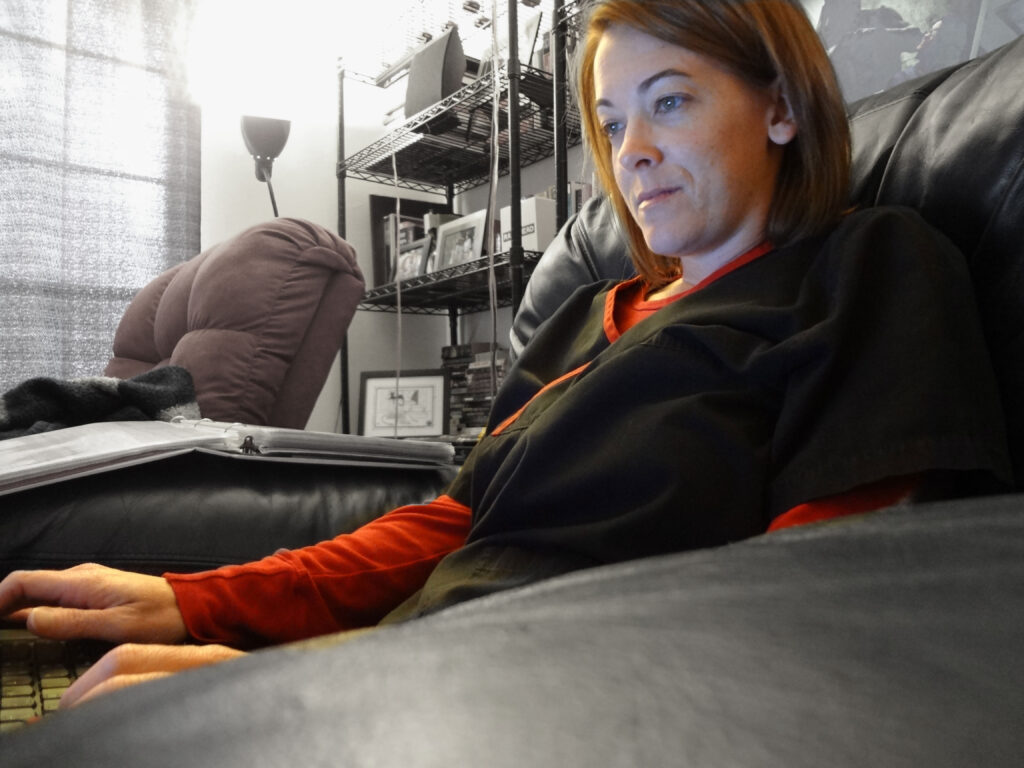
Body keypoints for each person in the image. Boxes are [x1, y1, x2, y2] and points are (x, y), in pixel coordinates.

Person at [0, 0, 1010, 709]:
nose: (630, 152)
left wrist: (323, 683)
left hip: (537, 702)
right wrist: (194, 600)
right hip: (414, 664)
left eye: (670, 101)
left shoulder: (865, 266)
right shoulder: (584, 313)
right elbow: (451, 524)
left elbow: (815, 597)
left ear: (781, 106)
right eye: (610, 122)